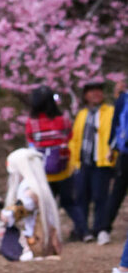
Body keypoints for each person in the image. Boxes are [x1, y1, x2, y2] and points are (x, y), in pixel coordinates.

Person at [25, 85, 87, 240]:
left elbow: (30, 145)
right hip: (64, 170)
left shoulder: (31, 123)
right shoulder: (63, 121)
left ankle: (48, 236)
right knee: (69, 203)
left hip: (42, 173)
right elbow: (70, 138)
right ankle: (85, 232)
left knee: (45, 206)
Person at [69, 80, 115, 242]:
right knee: (81, 196)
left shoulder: (110, 111)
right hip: (83, 162)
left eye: (99, 91)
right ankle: (82, 229)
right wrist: (74, 161)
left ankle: (100, 228)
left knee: (100, 196)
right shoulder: (82, 114)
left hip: (102, 161)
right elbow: (74, 139)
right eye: (92, 92)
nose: (96, 94)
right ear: (86, 96)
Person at [0, 148, 62, 260]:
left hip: (34, 243)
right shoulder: (39, 185)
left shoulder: (28, 189)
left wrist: (0, 212)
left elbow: (10, 215)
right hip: (41, 240)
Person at [98, 78, 128, 244]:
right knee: (117, 191)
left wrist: (112, 147)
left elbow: (115, 126)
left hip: (125, 154)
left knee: (117, 191)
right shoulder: (123, 99)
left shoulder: (123, 99)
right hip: (125, 153)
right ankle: (104, 228)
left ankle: (104, 229)